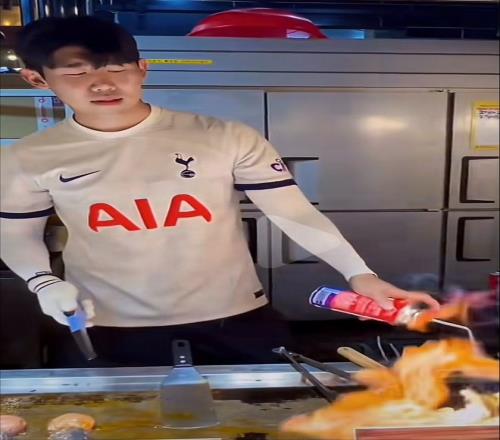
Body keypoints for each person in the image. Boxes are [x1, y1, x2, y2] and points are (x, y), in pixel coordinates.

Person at [0, 16, 439, 367]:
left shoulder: (223, 136)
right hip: (106, 323)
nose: (103, 85)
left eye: (118, 69)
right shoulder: (29, 157)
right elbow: (16, 231)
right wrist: (43, 282)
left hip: (236, 317)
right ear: (38, 80)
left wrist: (359, 274)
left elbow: (291, 211)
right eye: (76, 73)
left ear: (142, 69)